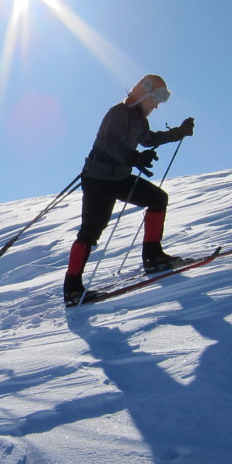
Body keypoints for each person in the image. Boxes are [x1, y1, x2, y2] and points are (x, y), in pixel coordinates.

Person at [64, 74, 194, 305]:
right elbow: (111, 142)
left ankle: (153, 257)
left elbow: (148, 139)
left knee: (157, 199)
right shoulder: (118, 113)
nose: (156, 106)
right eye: (155, 100)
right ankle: (72, 288)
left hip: (120, 177)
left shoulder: (139, 119)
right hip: (98, 180)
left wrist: (179, 133)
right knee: (91, 231)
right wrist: (133, 157)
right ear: (144, 94)